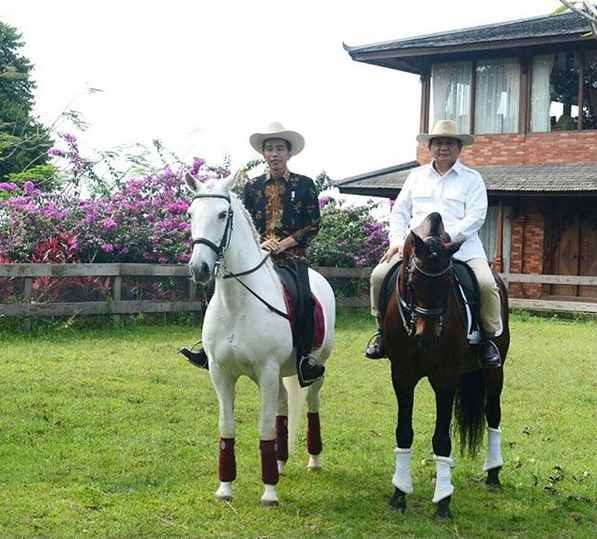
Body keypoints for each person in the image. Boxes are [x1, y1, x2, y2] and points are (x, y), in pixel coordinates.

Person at [180, 121, 325, 386]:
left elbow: (313, 224)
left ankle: (304, 358)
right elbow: (245, 225)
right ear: (264, 154)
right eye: (270, 149)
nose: (275, 154)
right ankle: (208, 347)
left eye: (280, 148)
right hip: (258, 255)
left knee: (303, 296)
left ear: (289, 153)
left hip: (292, 258)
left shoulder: (305, 185)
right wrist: (261, 244)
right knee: (218, 287)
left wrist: (285, 243)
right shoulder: (252, 187)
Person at [365, 119, 502, 369]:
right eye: (438, 143)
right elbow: (400, 212)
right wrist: (396, 240)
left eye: (449, 143)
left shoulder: (472, 179)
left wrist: (446, 240)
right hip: (416, 250)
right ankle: (382, 334)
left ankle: (488, 340)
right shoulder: (416, 177)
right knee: (378, 275)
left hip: (460, 248)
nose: (443, 148)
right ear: (430, 148)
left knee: (487, 284)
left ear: (459, 148)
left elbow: (476, 216)